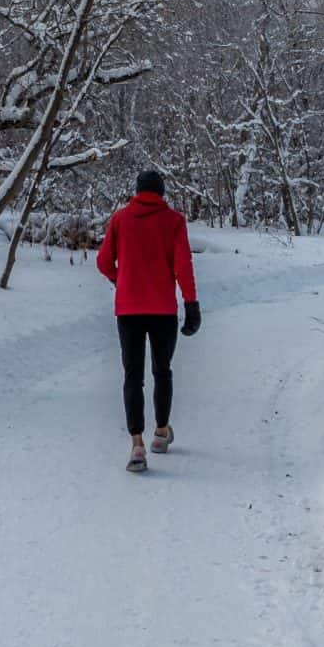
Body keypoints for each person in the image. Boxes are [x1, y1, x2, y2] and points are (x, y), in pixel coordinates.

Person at [95, 168, 200, 473]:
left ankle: (137, 445)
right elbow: (183, 266)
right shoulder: (174, 221)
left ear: (137, 191)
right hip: (163, 310)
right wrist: (191, 303)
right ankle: (160, 433)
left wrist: (121, 279)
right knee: (162, 371)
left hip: (128, 310)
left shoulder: (120, 219)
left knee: (132, 375)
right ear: (162, 192)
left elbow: (103, 262)